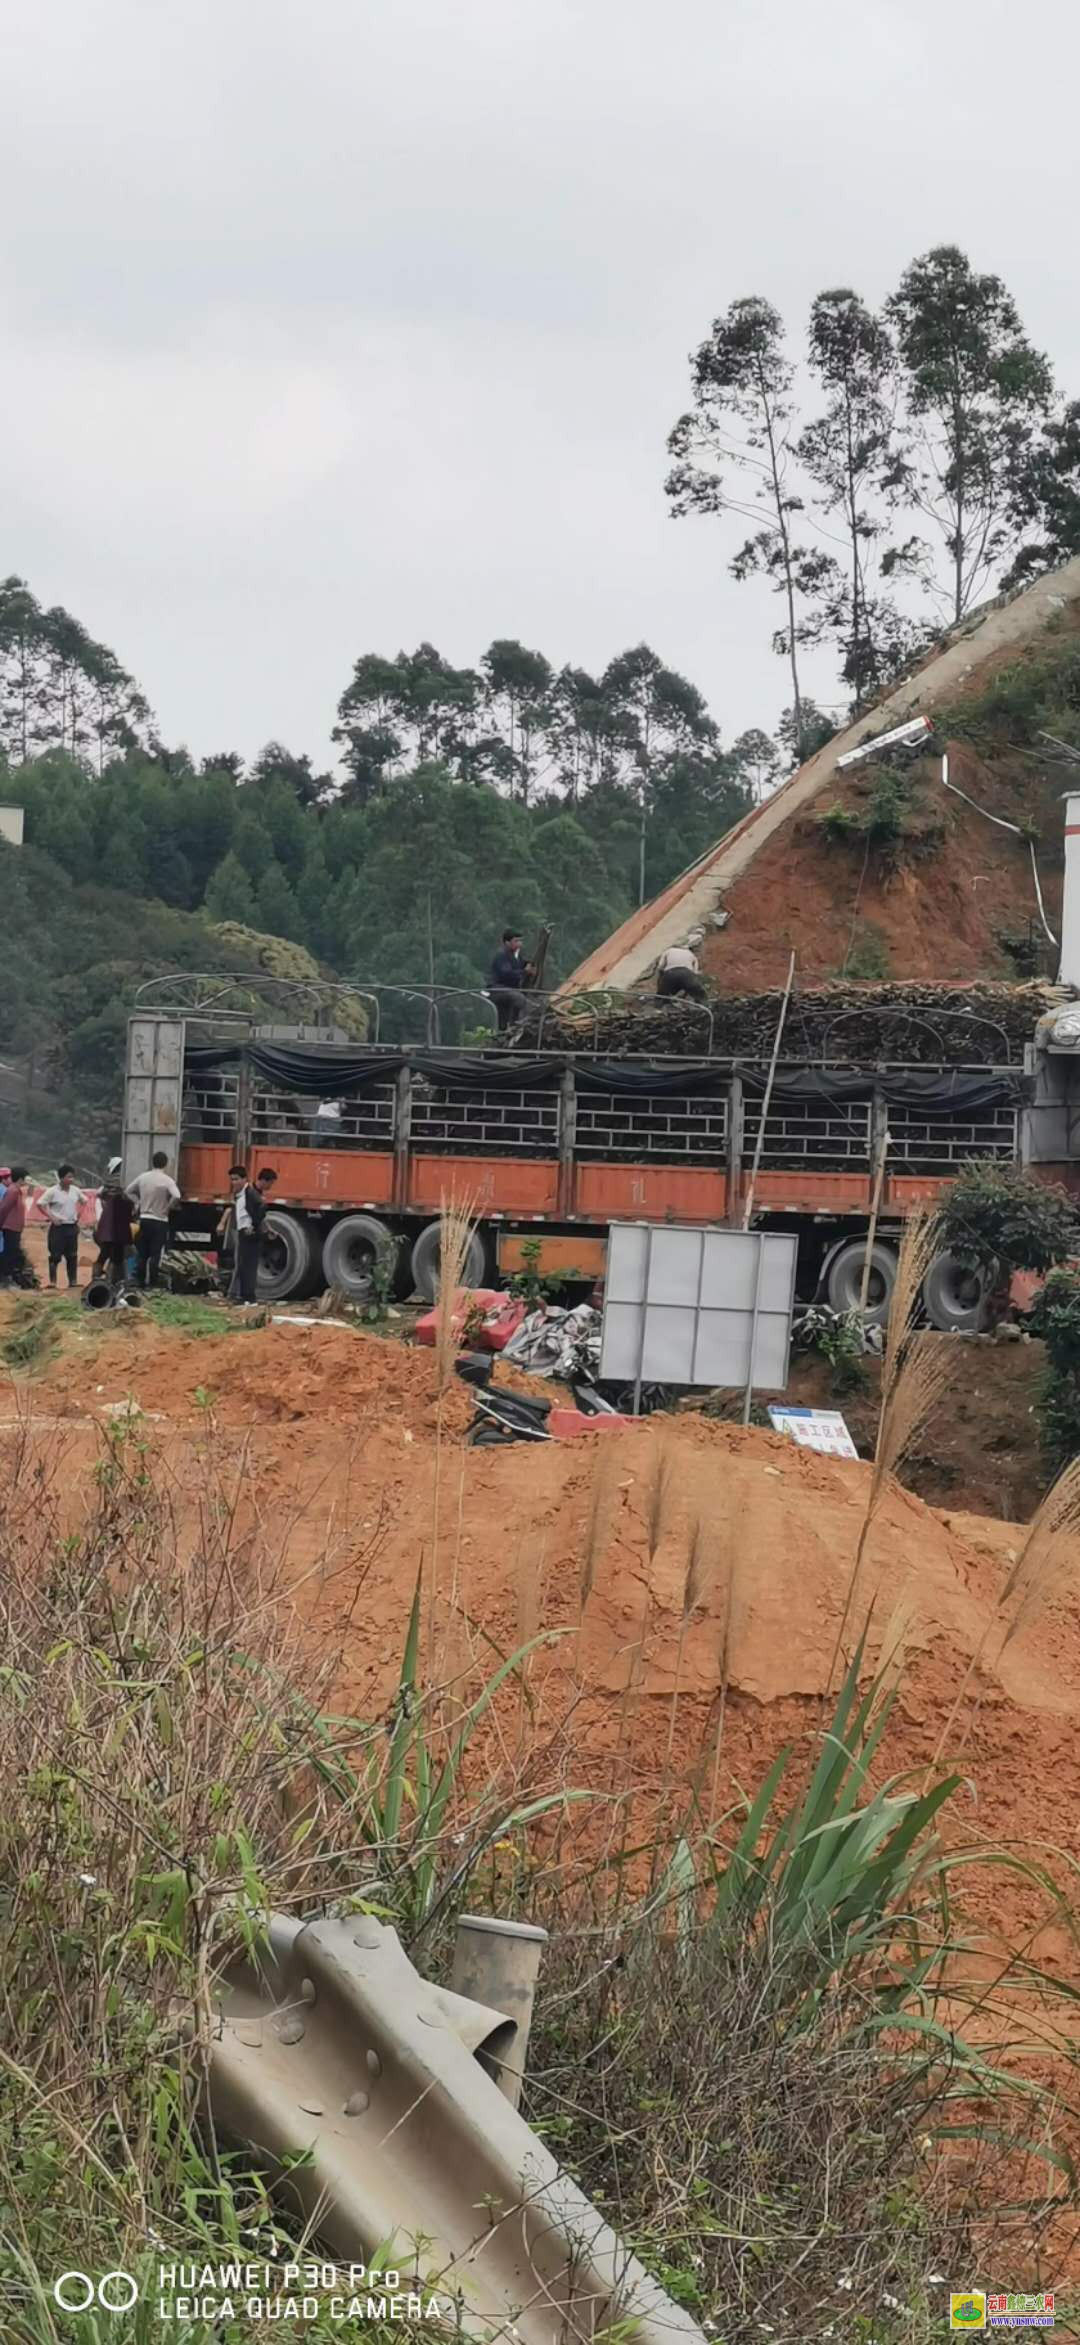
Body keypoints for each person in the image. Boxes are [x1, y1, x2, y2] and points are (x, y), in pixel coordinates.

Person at [220, 1165, 277, 1303]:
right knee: (244, 1264)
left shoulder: (249, 1193)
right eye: (232, 1180)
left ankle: (243, 1296)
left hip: (247, 1232)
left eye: (236, 1179)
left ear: (244, 1179)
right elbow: (258, 1209)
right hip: (243, 1230)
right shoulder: (246, 1193)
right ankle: (240, 1295)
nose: (233, 1183)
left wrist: (257, 1226)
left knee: (247, 1265)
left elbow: (260, 1210)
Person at [126, 1151, 181, 1289]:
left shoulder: (143, 1177)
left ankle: (139, 1281)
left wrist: (138, 1202)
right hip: (160, 1220)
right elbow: (177, 1196)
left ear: (152, 1162)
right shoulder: (167, 1180)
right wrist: (167, 1208)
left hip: (144, 1219)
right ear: (166, 1163)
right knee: (155, 1253)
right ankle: (153, 1283)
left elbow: (128, 1191)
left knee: (142, 1252)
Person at [39, 1163, 86, 1289]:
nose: (71, 1179)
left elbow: (84, 1201)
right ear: (61, 1178)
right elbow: (40, 1204)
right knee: (55, 1255)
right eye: (69, 1177)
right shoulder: (52, 1191)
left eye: (72, 1177)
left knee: (72, 1255)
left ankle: (73, 1281)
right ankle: (53, 1282)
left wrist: (79, 1214)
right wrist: (52, 1217)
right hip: (58, 1228)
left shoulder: (75, 1190)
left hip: (72, 1227)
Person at [94, 1160, 134, 1286]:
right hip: (118, 1219)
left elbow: (101, 1195)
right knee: (116, 1251)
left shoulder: (107, 1185)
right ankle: (112, 1280)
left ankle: (102, 1278)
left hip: (109, 1220)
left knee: (108, 1251)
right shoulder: (126, 1181)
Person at [488, 927, 529, 1032]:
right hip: (498, 989)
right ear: (507, 942)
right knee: (518, 998)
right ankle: (514, 1025)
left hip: (510, 990)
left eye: (520, 941)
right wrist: (524, 971)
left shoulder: (517, 956)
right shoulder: (502, 955)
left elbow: (523, 964)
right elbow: (507, 974)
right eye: (516, 941)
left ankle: (510, 1027)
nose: (519, 944)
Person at [0, 1167, 30, 1285]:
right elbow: (4, 1209)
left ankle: (11, 1276)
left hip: (14, 1228)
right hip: (10, 1227)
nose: (27, 1181)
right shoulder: (13, 1191)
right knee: (11, 1253)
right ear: (20, 1179)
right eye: (26, 1178)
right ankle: (8, 1277)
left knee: (12, 1252)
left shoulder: (16, 1190)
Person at [655, 939, 707, 1003]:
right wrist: (684, 995)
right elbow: (694, 974)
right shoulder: (691, 954)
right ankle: (706, 1006)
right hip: (687, 974)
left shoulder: (668, 951)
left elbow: (660, 967)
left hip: (671, 973)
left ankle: (658, 1006)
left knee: (662, 997)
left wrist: (661, 986)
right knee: (700, 995)